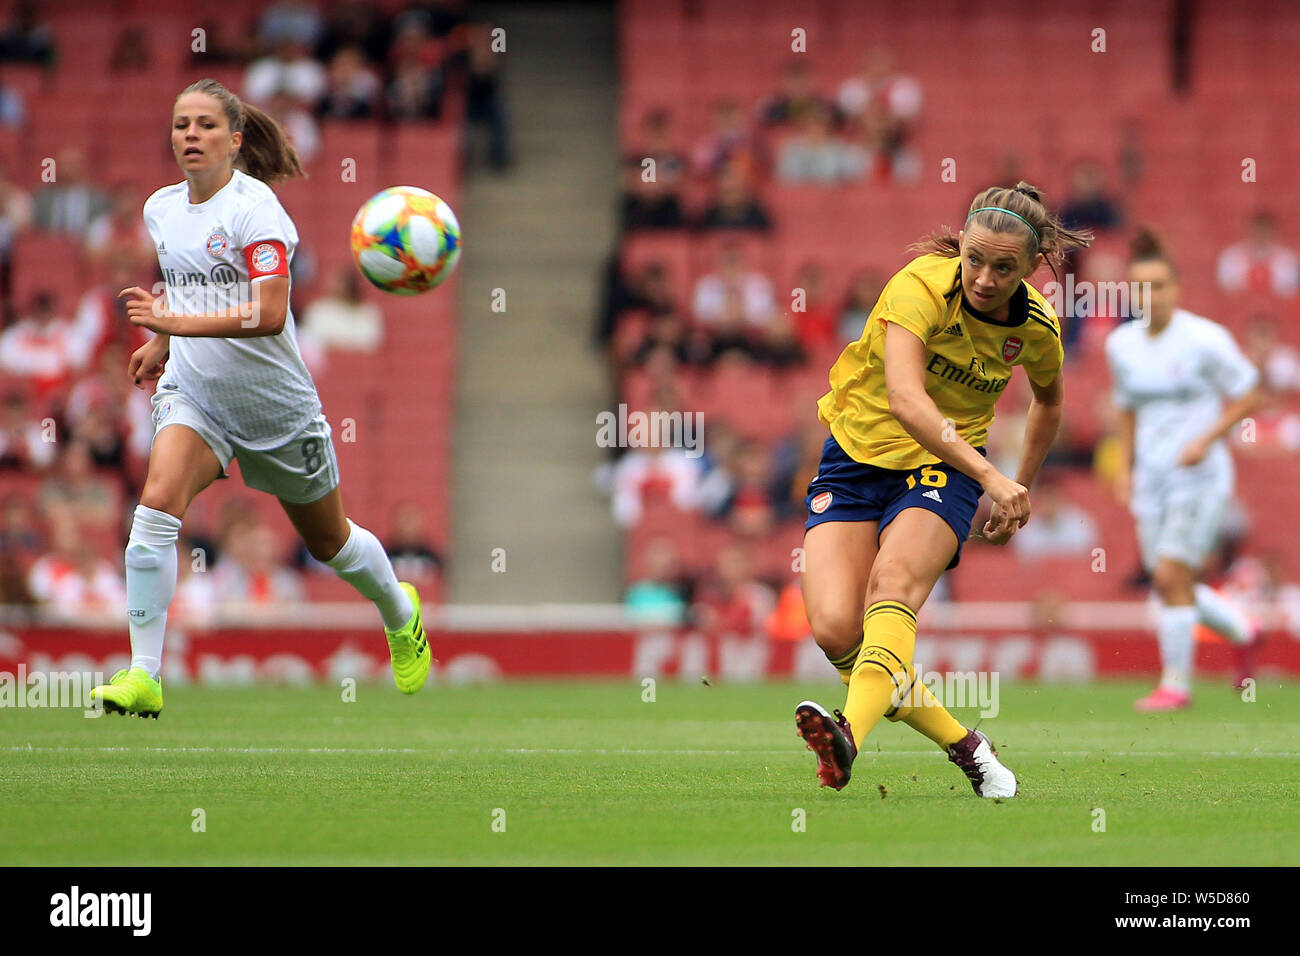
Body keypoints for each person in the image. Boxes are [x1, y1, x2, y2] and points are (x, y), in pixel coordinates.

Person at [88, 78, 430, 719]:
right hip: (196, 394)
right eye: (181, 124)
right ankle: (143, 675)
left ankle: (398, 609)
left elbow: (271, 312)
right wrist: (165, 347)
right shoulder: (161, 208)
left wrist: (172, 326)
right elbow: (187, 284)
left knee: (331, 545)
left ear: (236, 139)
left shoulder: (258, 210)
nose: (191, 135)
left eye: (206, 125)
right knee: (154, 510)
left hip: (276, 406)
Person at [795, 182, 1088, 797]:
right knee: (835, 631)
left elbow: (1050, 400)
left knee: (893, 587)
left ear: (1031, 269)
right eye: (975, 258)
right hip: (855, 456)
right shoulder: (919, 286)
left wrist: (1020, 488)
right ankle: (968, 747)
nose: (984, 277)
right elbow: (905, 398)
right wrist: (994, 478)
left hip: (942, 467)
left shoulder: (1036, 325)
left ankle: (848, 733)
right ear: (961, 247)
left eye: (1004, 267)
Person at [1106, 228, 1262, 710]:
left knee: (1172, 573)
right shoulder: (1122, 345)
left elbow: (1250, 391)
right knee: (1168, 581)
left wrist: (1205, 439)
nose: (1149, 295)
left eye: (1158, 285)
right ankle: (1244, 629)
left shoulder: (1204, 339)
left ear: (1175, 288)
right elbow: (1127, 408)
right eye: (1140, 287)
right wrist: (1126, 466)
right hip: (1151, 477)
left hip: (1199, 475)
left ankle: (1176, 685)